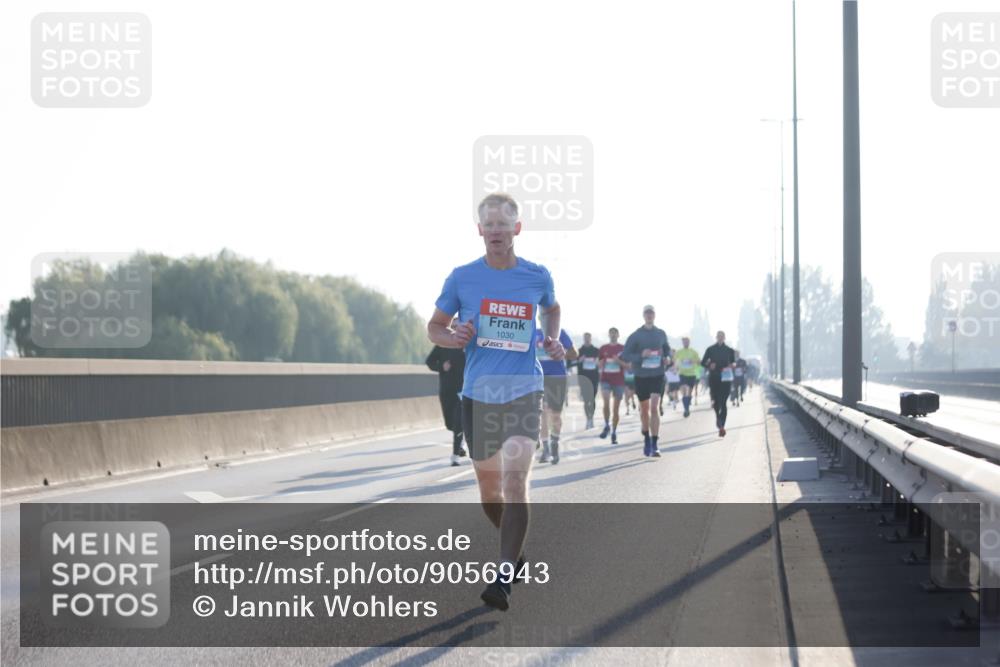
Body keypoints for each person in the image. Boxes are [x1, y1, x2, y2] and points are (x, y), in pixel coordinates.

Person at [427, 192, 565, 611]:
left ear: (516, 229)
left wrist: (553, 336)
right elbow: (435, 326)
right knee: (490, 491)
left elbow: (553, 308)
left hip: (524, 389)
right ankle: (516, 553)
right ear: (480, 230)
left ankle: (503, 576)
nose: (497, 232)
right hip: (478, 394)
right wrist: (453, 337)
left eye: (504, 225)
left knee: (514, 480)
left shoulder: (536, 275)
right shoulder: (462, 277)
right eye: (489, 225)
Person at [622, 305, 672, 458]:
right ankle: (646, 439)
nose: (649, 315)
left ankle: (655, 444)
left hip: (657, 374)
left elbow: (667, 348)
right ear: (643, 316)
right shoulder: (636, 335)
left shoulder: (661, 333)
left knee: (654, 407)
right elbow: (626, 355)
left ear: (654, 315)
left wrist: (668, 357)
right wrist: (640, 355)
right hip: (641, 376)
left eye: (651, 313)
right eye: (647, 313)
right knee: (644, 411)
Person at [536, 327, 578, 464]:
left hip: (557, 377)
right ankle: (546, 448)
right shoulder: (532, 332)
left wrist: (560, 351)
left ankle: (554, 444)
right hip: (538, 377)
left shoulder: (560, 332)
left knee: (555, 415)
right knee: (542, 413)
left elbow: (574, 353)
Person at [425, 334, 467, 466]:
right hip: (446, 390)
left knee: (458, 421)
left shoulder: (467, 345)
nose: (456, 329)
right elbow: (430, 362)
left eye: (457, 325)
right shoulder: (442, 345)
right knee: (450, 424)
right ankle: (461, 441)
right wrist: (441, 367)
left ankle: (455, 455)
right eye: (453, 327)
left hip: (463, 390)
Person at [702, 330, 736, 437]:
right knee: (716, 402)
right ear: (716, 337)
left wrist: (732, 365)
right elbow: (703, 362)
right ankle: (718, 417)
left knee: (723, 402)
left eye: (722, 336)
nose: (720, 338)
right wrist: (709, 366)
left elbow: (733, 362)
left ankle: (722, 426)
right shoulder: (710, 349)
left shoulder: (729, 350)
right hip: (714, 378)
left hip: (726, 379)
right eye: (719, 336)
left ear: (724, 337)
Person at [597, 326, 626, 444]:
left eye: (615, 333)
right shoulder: (603, 348)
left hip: (618, 380)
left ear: (618, 335)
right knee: (606, 402)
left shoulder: (623, 348)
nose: (613, 335)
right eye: (611, 333)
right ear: (608, 335)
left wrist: (618, 361)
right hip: (606, 379)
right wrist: (602, 362)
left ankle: (614, 432)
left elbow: (628, 365)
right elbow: (598, 364)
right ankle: (606, 425)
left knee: (616, 408)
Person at [576, 332, 600, 430]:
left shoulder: (596, 350)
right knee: (586, 400)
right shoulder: (579, 351)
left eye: (588, 338)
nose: (587, 339)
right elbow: (574, 362)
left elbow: (601, 363)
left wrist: (597, 362)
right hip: (583, 378)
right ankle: (588, 419)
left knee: (592, 399)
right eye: (585, 338)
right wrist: (579, 360)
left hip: (594, 377)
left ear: (591, 339)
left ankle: (592, 417)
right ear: (583, 338)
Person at [673, 336, 701, 418]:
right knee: (684, 391)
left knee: (689, 393)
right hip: (682, 374)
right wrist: (676, 368)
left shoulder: (694, 352)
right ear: (682, 343)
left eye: (687, 341)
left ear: (689, 342)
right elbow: (675, 361)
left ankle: (687, 407)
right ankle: (686, 410)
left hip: (691, 374)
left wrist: (693, 361)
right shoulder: (679, 352)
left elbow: (699, 362)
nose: (685, 343)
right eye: (684, 342)